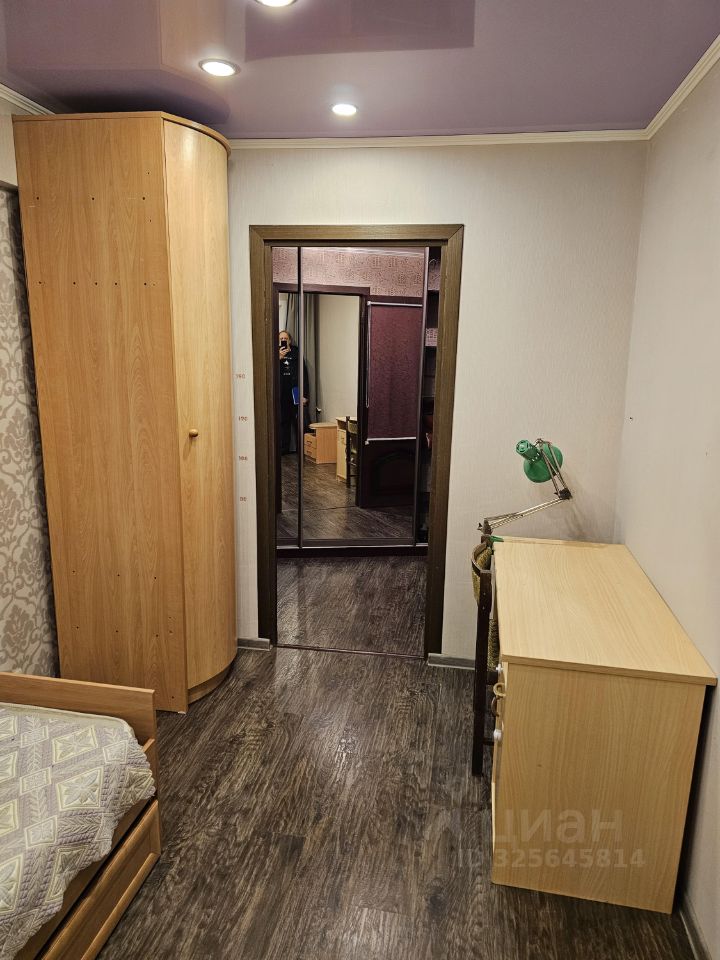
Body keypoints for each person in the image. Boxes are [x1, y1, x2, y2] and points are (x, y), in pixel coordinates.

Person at [278, 330, 308, 454]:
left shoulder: (296, 353)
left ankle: (302, 449)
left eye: (285, 338)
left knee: (298, 421)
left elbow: (304, 374)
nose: (283, 341)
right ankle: (283, 449)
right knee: (283, 421)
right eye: (281, 339)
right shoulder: (275, 354)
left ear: (289, 340)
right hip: (282, 393)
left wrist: (305, 395)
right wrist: (279, 358)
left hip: (295, 391)